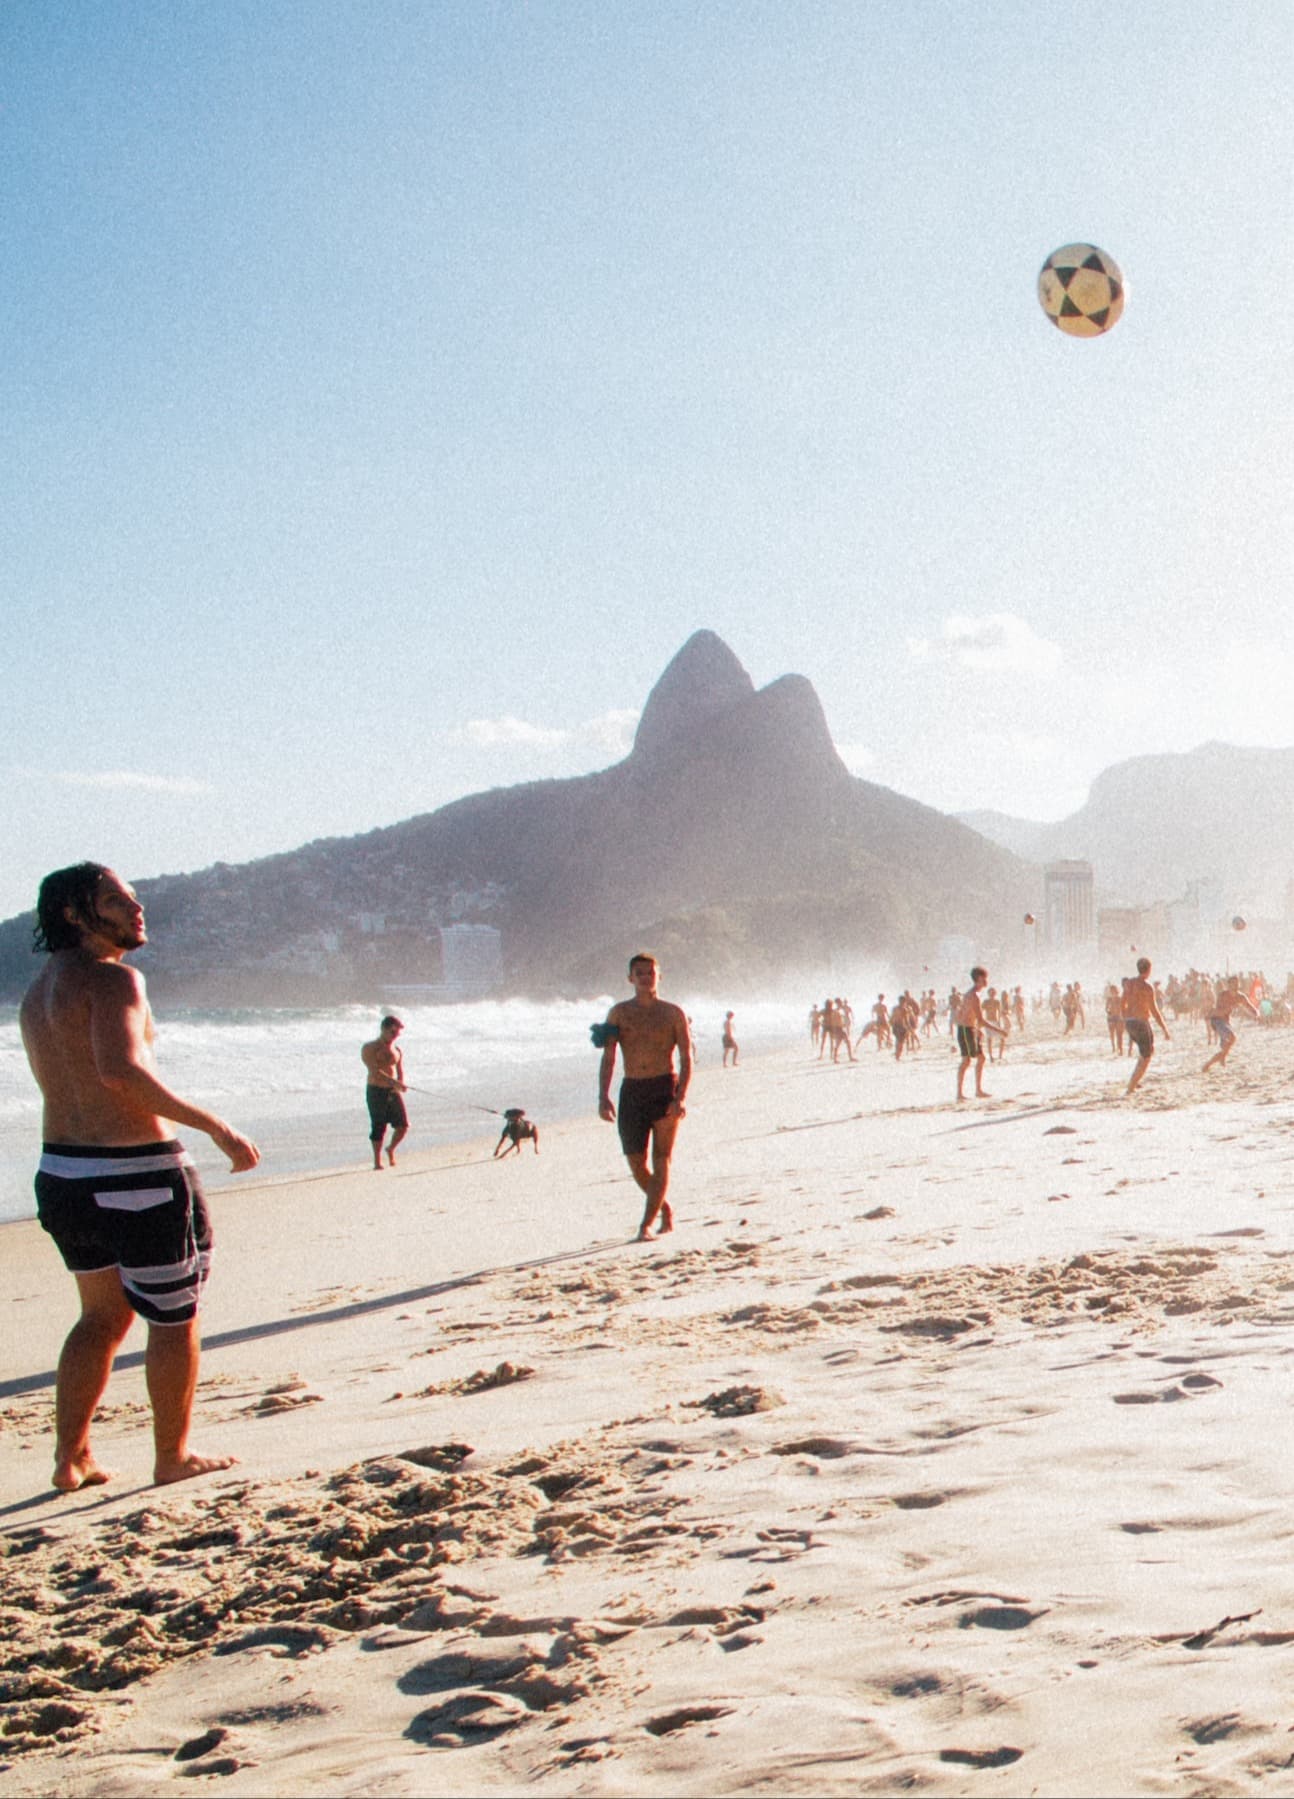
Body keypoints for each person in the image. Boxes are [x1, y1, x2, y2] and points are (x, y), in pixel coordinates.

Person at [19, 863, 260, 1493]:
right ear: (75, 915)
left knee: (99, 1317)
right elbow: (121, 1071)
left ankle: (71, 1459)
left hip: (63, 1175)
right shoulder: (115, 980)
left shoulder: (39, 990)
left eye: (134, 899)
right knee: (174, 1318)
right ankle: (172, 1455)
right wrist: (215, 1126)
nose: (136, 909)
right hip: (137, 1174)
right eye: (116, 901)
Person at [597, 953, 692, 1241]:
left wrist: (680, 1097)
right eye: (639, 973)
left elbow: (687, 1057)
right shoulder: (619, 1013)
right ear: (630, 978)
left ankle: (645, 1225)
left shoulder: (673, 1013)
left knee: (661, 1157)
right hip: (632, 1091)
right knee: (635, 1162)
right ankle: (663, 1208)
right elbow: (609, 1057)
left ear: (659, 976)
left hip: (664, 1087)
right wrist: (603, 1095)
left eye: (650, 972)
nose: (645, 977)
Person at [361, 1015, 408, 1169]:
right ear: (383, 1029)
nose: (395, 1036)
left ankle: (391, 1148)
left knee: (403, 1126)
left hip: (392, 1091)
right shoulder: (369, 1048)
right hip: (375, 1090)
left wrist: (400, 1083)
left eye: (397, 1034)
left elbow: (399, 1070)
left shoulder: (397, 1049)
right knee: (378, 1125)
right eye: (392, 1032)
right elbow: (374, 1071)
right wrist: (394, 1082)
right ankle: (377, 1161)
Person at [954, 967, 1005, 1101]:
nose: (986, 981)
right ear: (978, 979)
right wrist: (999, 1031)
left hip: (968, 1029)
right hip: (966, 1030)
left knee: (978, 1059)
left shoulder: (970, 994)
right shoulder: (973, 996)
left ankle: (976, 1090)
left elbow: (966, 1015)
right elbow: (980, 1019)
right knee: (967, 1061)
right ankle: (962, 1092)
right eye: (984, 978)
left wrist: (976, 1030)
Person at [1122, 956, 1171, 1096]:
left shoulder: (1129, 983)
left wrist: (1124, 1018)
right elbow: (1154, 1011)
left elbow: (1122, 1002)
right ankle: (1131, 1087)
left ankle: (1134, 1081)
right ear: (1149, 970)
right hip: (1141, 1022)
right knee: (1147, 1056)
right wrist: (1165, 1029)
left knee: (1146, 1052)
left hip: (1130, 1021)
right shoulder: (1147, 987)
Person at [1202, 977, 1260, 1074]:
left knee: (1226, 1046)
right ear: (1229, 985)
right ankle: (1209, 1064)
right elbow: (1219, 1012)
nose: (1235, 986)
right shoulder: (1223, 995)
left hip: (1226, 1022)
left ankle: (1217, 1060)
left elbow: (1249, 1006)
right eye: (1233, 984)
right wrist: (1231, 1007)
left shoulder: (1240, 996)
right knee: (1232, 1038)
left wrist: (1256, 1013)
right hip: (1217, 1020)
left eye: (1237, 984)